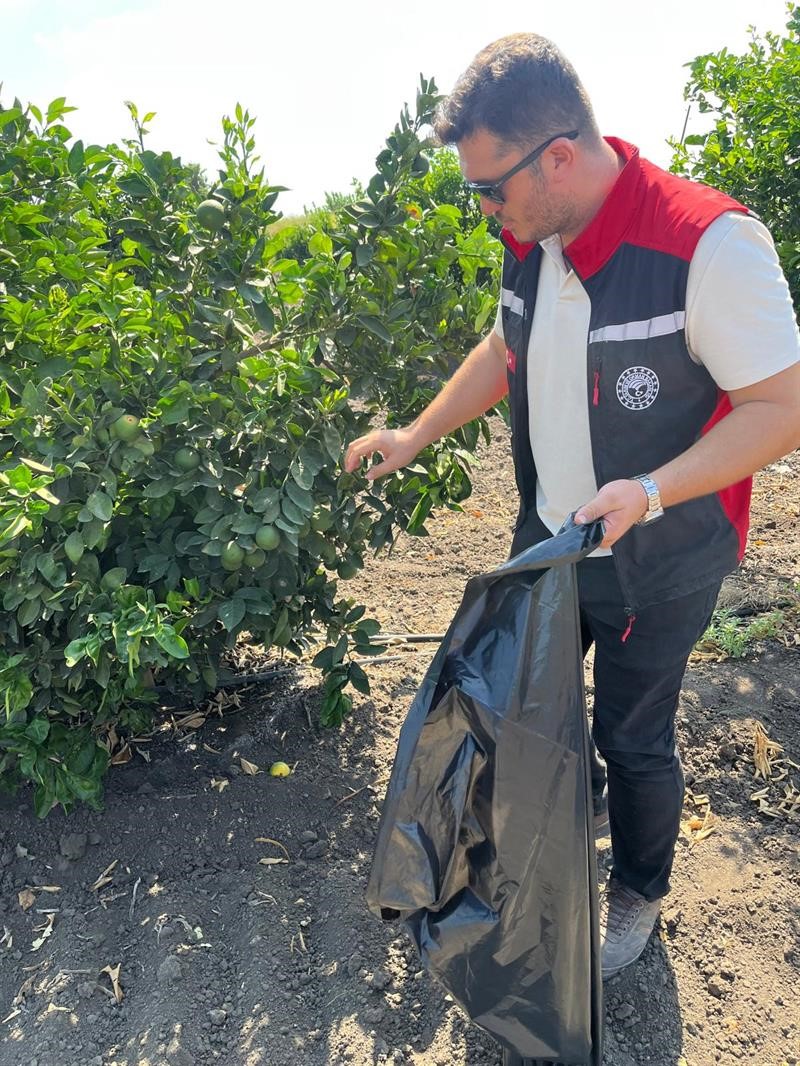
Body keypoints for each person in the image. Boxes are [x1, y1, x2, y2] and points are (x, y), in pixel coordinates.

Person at [344, 33, 800, 979]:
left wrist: (652, 489)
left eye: (489, 187)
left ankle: (639, 886)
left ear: (556, 153)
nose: (484, 210)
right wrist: (416, 434)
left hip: (658, 554)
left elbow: (782, 406)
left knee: (632, 734)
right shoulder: (534, 237)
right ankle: (564, 819)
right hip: (554, 539)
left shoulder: (707, 243)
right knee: (522, 707)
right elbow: (505, 346)